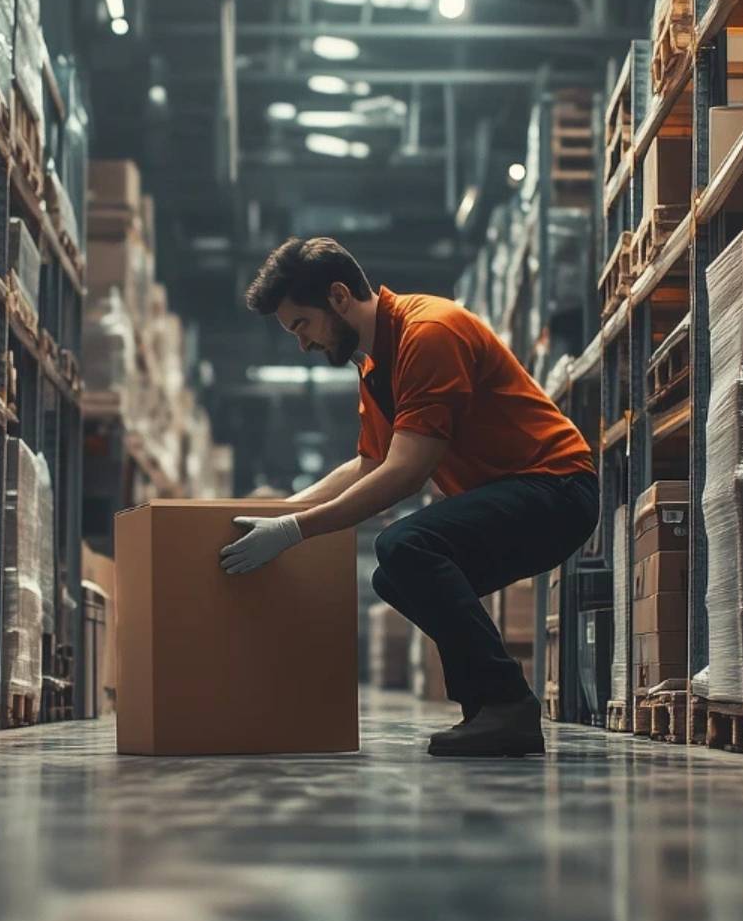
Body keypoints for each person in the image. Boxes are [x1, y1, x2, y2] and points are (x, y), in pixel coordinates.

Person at [220, 237, 598, 758]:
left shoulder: (429, 333)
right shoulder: (378, 364)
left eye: (300, 325)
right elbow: (370, 462)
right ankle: (489, 712)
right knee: (393, 574)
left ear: (337, 296)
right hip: (515, 492)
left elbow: (404, 473)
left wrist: (295, 531)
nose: (301, 344)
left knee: (406, 546)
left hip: (557, 488)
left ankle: (509, 704)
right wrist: (284, 510)